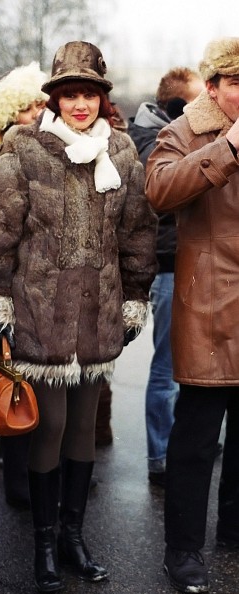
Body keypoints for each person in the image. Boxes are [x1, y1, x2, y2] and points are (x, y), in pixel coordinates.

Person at [0, 40, 157, 593]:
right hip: (39, 311)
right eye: (70, 94)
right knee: (47, 426)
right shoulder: (25, 147)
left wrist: (135, 296)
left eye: (89, 94)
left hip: (98, 312)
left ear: (102, 97)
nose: (80, 105)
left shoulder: (120, 151)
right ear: (54, 98)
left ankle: (75, 539)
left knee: (82, 431)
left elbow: (137, 233)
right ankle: (44, 546)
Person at [145, 36, 239, 594]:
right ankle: (182, 550)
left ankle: (233, 529)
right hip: (210, 300)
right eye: (237, 84)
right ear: (213, 87)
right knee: (197, 435)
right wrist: (229, 147)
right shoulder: (183, 131)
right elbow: (158, 191)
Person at [0, 62, 48, 504]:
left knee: (39, 388)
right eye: (27, 106)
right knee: (13, 383)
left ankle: (37, 476)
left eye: (41, 103)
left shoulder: (41, 148)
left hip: (40, 292)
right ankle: (18, 483)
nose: (37, 112)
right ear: (8, 112)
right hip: (9, 291)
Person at [128, 68, 205, 487]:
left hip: (186, 265)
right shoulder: (154, 142)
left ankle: (183, 444)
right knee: (167, 367)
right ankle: (160, 454)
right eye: (196, 103)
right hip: (170, 267)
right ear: (177, 106)